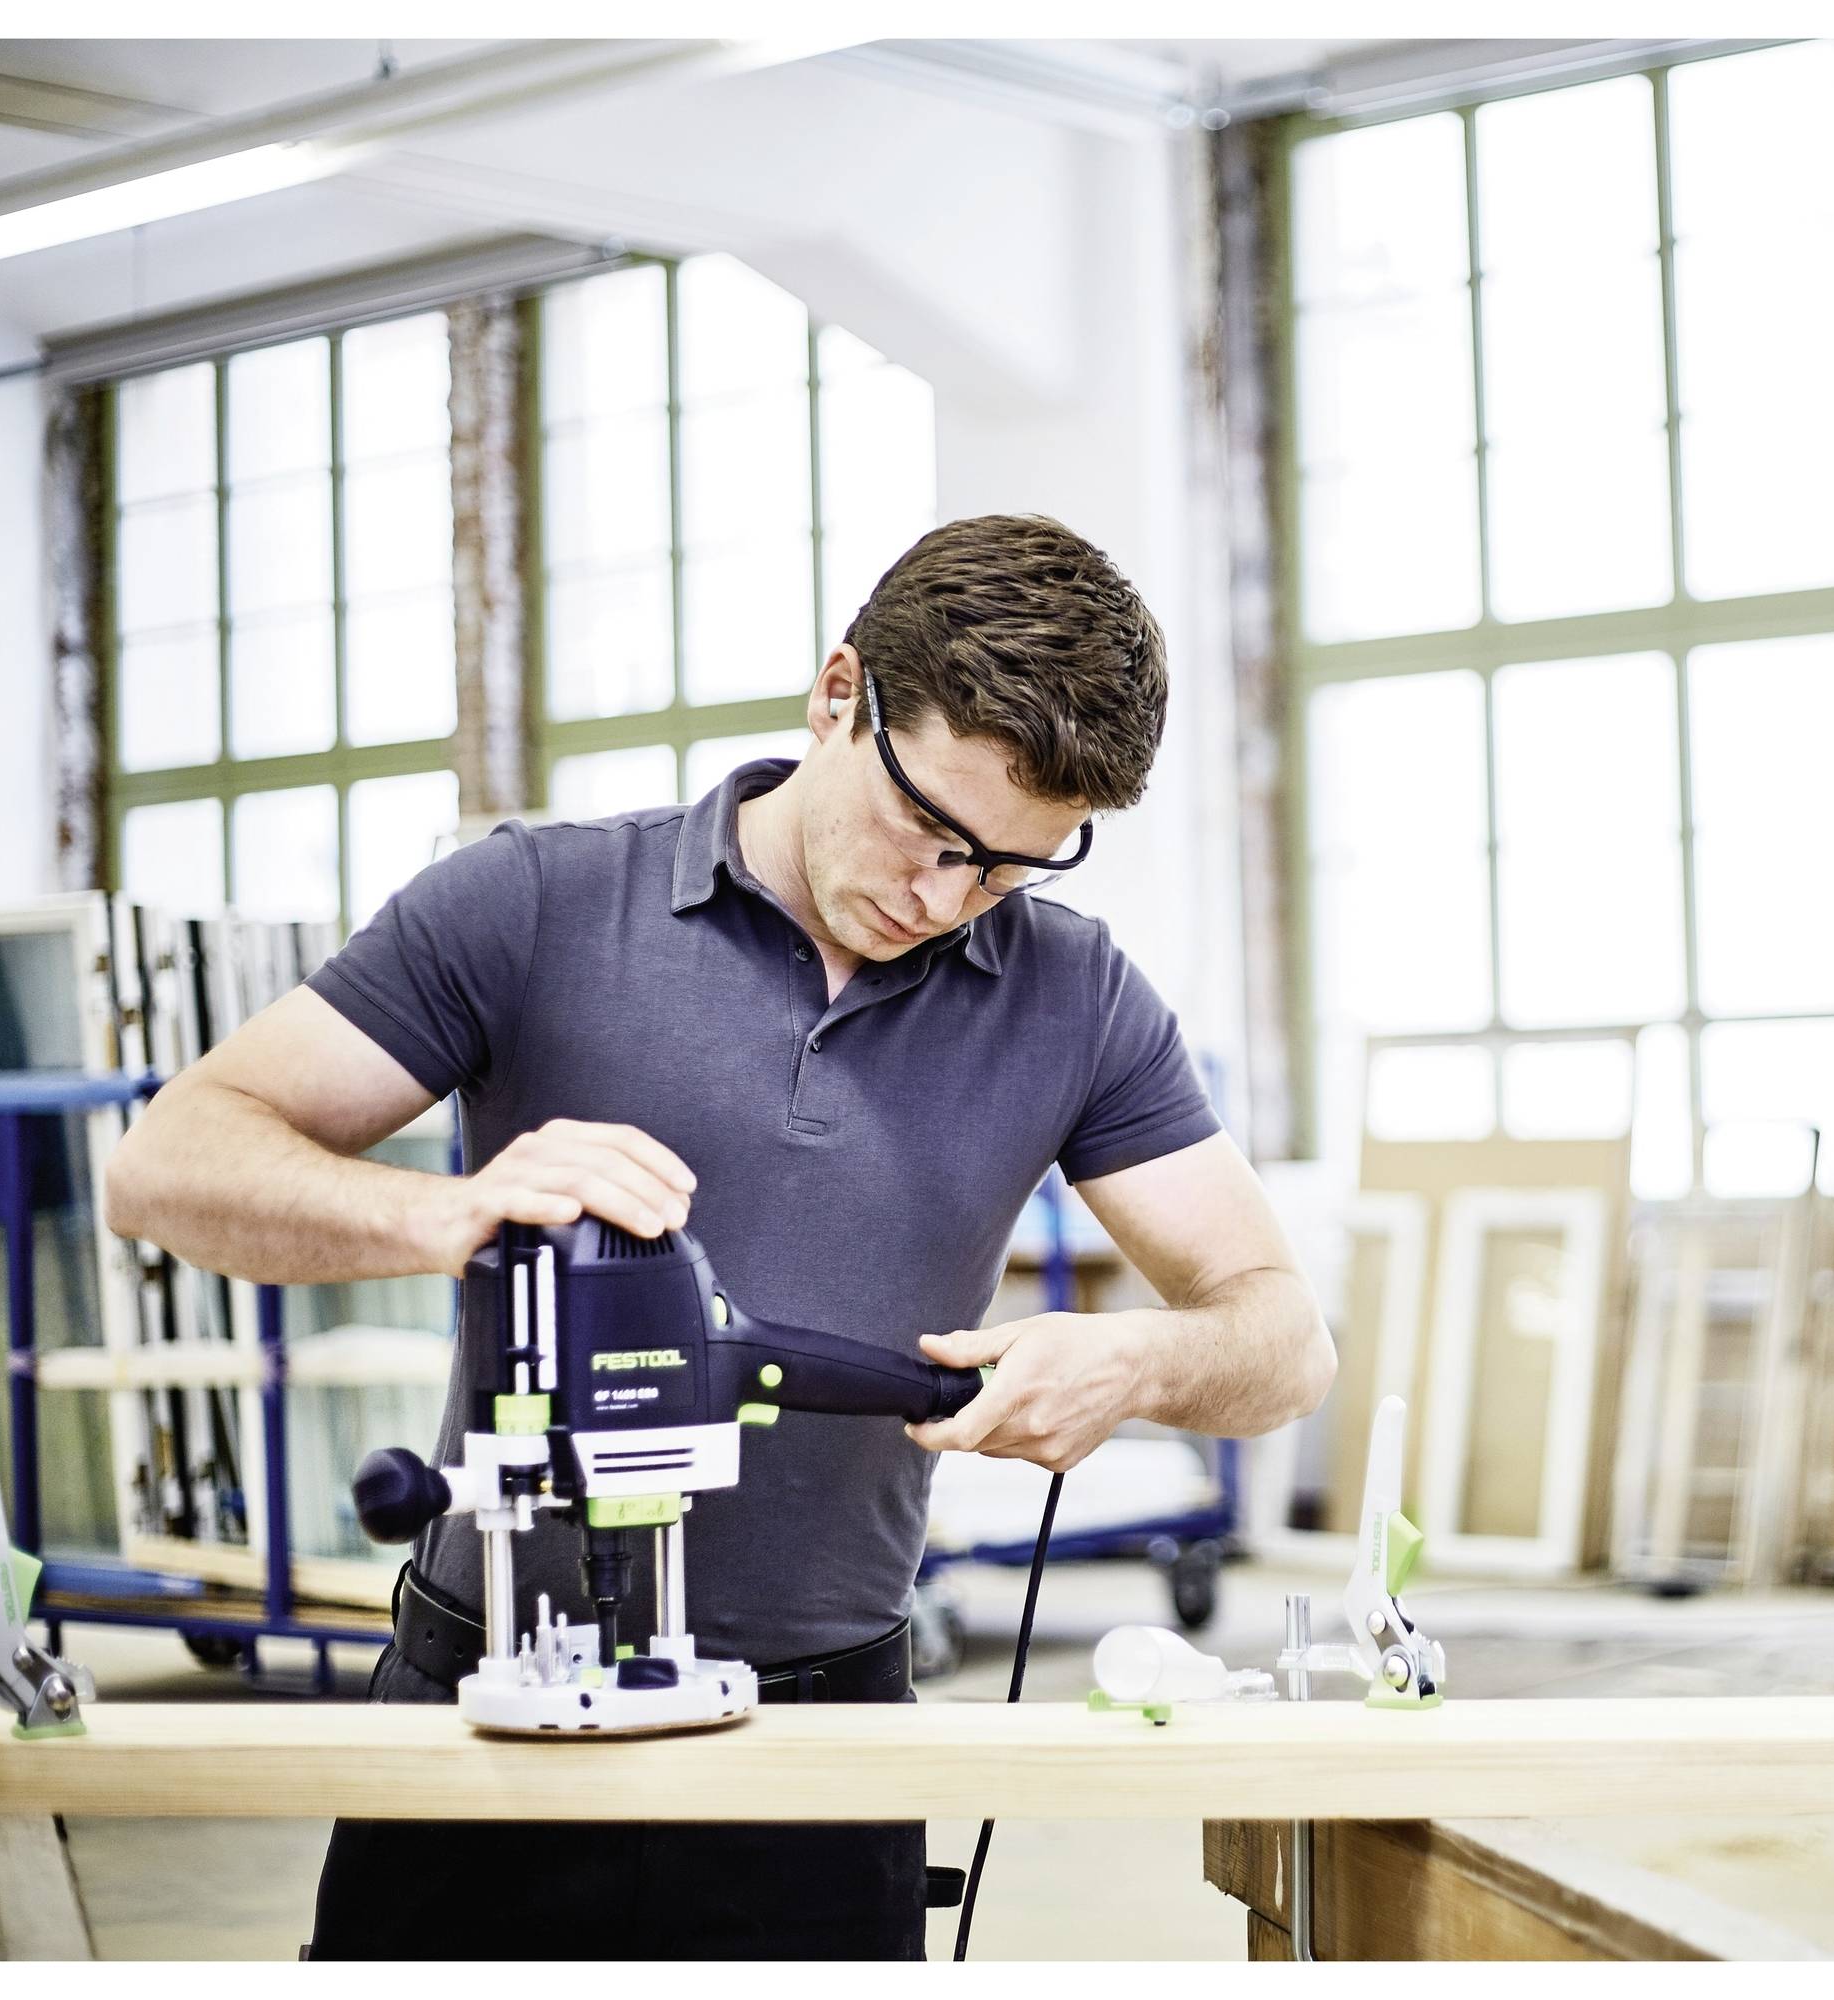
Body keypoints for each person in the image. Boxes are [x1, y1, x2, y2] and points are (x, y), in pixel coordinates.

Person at [104, 513, 1336, 1959]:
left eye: (1007, 870)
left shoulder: (1072, 996)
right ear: (839, 695)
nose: (943, 902)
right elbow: (166, 1162)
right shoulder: (537, 905)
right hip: (487, 1703)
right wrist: (443, 1213)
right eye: (929, 834)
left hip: (821, 1746)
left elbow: (1283, 1343)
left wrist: (1134, 1363)